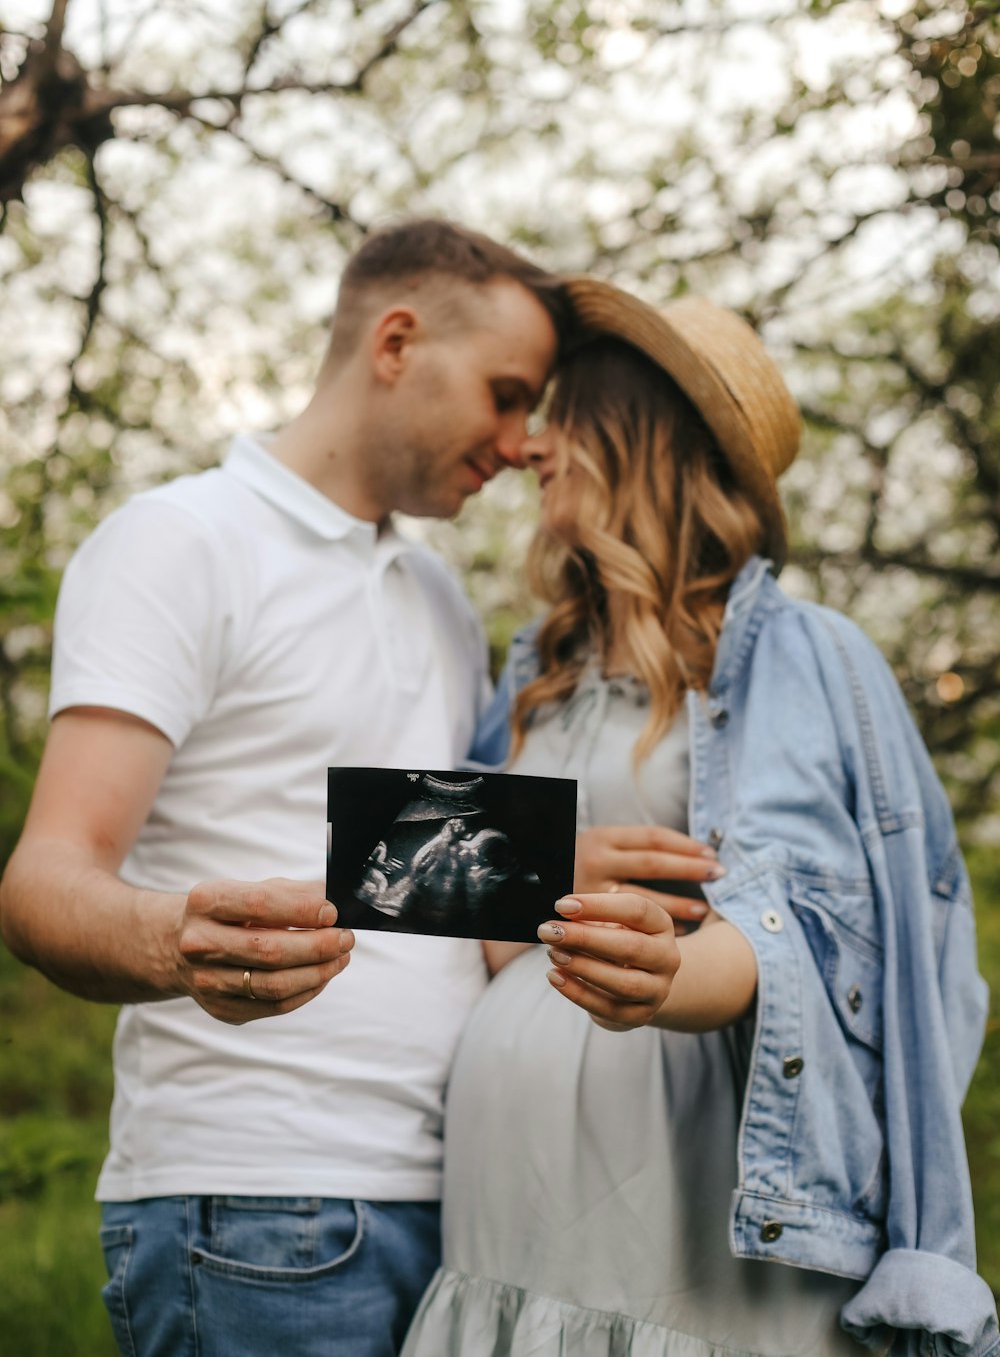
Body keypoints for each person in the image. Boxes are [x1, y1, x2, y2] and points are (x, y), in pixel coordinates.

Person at [0, 218, 570, 1357]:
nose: (520, 444)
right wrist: (175, 939)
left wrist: (585, 882)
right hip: (259, 1213)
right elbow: (44, 877)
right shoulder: (181, 541)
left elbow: (399, 871)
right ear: (397, 341)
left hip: (462, 1204)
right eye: (507, 396)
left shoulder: (440, 596)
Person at [403, 281, 998, 1357]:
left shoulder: (801, 654)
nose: (533, 446)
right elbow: (470, 914)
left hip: (674, 1206)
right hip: (503, 1221)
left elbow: (816, 943)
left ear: (638, 435)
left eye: (563, 413)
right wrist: (533, 880)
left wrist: (666, 978)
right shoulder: (537, 666)